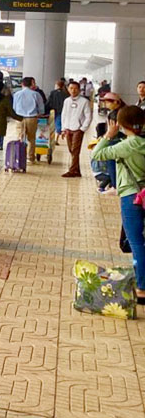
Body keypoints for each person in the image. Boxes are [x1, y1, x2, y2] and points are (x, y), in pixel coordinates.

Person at [92, 105, 145, 305]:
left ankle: (141, 288)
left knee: (136, 241)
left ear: (121, 124)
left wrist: (108, 134)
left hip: (131, 196)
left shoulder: (126, 146)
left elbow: (97, 154)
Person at [92, 93, 125, 193]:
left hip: (115, 140)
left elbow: (113, 130)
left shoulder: (117, 113)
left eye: (107, 101)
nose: (105, 103)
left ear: (116, 102)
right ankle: (113, 184)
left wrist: (106, 137)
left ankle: (114, 185)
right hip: (117, 140)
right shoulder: (117, 111)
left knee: (112, 163)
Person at [61, 80, 94, 178]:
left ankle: (72, 171)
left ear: (79, 90)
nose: (73, 90)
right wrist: (63, 128)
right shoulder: (66, 101)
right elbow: (64, 114)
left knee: (75, 150)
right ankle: (77, 170)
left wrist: (83, 128)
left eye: (75, 88)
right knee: (72, 150)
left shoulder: (84, 101)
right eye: (71, 88)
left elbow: (88, 116)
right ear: (68, 89)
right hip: (68, 128)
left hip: (78, 129)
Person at [12, 77, 47, 163]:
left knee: (20, 137)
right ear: (31, 84)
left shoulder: (17, 94)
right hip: (32, 118)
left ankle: (20, 156)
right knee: (31, 139)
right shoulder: (36, 94)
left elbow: (14, 107)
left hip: (19, 118)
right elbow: (41, 108)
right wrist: (40, 113)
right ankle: (30, 158)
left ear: (22, 84)